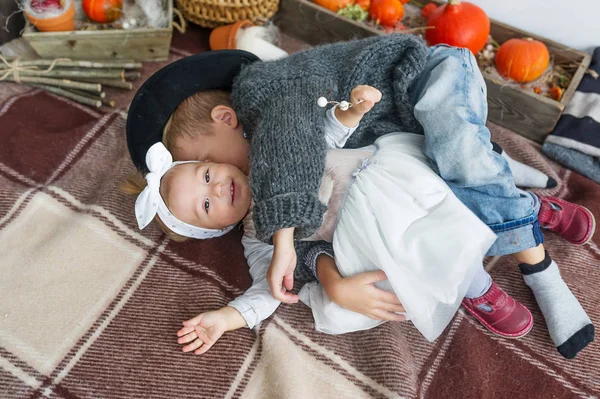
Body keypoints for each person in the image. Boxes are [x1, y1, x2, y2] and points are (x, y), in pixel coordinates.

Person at [126, 35, 595, 358]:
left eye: (207, 167)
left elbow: (301, 135)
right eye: (206, 205)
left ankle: (541, 273)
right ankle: (526, 208)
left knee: (459, 158)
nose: (220, 183)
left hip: (423, 79)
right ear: (218, 228)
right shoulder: (255, 229)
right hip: (403, 163)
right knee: (442, 201)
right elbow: (270, 287)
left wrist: (287, 235)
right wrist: (228, 319)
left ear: (229, 120)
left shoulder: (260, 93)